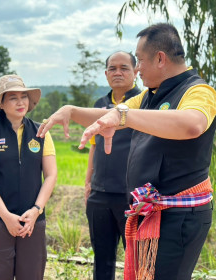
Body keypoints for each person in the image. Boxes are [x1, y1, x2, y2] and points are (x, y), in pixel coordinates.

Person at [37, 23, 216, 280]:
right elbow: (111, 114)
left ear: (159, 59)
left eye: (140, 61)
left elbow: (192, 124)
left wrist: (124, 116)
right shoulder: (149, 96)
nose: (137, 69)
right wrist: (72, 111)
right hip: (153, 211)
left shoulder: (198, 91)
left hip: (180, 215)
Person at [0, 74, 57, 280]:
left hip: (32, 219)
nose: (20, 102)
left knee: (31, 274)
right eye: (12, 97)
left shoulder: (41, 132)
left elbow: (51, 175)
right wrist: (5, 216)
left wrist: (36, 210)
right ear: (1, 103)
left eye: (24, 96)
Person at [85, 51, 140, 280]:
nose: (118, 72)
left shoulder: (145, 103)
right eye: (113, 68)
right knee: (102, 260)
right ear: (106, 73)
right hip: (99, 195)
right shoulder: (100, 105)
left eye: (124, 68)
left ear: (136, 72)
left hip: (132, 197)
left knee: (136, 261)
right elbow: (94, 145)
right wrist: (88, 182)